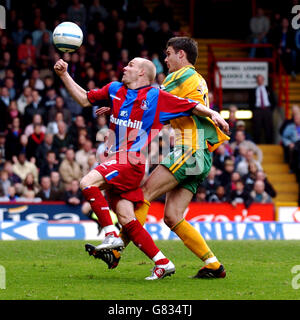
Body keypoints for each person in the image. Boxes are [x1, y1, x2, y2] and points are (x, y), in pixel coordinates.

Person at [54, 55, 228, 280]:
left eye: (168, 53)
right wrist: (65, 75)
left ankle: (113, 241)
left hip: (179, 151)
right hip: (199, 153)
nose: (166, 59)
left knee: (107, 187)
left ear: (180, 55)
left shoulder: (171, 82)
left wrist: (213, 112)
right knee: (166, 217)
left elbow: (184, 104)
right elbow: (88, 99)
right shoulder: (117, 89)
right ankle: (191, 263)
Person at [250, 74, 276, 144]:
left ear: (263, 80)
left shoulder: (268, 89)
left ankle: (270, 144)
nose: (259, 81)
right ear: (256, 81)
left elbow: (273, 100)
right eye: (258, 79)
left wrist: (270, 109)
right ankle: (257, 143)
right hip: (257, 110)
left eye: (261, 79)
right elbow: (250, 101)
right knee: (257, 128)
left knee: (268, 127)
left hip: (267, 110)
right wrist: (254, 110)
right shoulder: (253, 90)